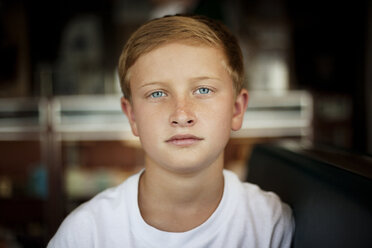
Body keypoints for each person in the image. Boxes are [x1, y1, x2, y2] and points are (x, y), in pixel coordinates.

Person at [47, 14, 294, 247]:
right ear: (132, 115)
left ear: (237, 109)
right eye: (157, 93)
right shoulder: (86, 234)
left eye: (203, 90)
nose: (181, 115)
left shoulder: (270, 223)